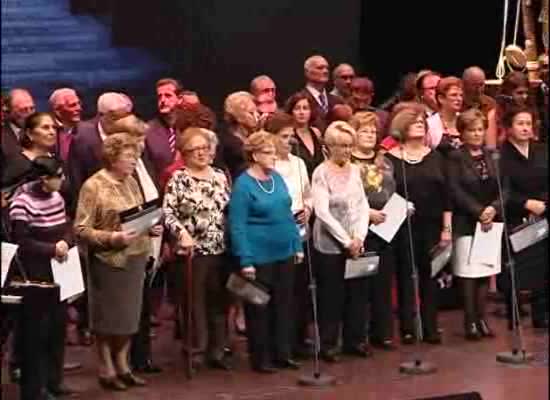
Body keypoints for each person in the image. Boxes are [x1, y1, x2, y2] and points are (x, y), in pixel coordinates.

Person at [74, 133, 152, 391]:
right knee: (108, 319)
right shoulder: (93, 185)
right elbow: (81, 229)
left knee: (130, 318)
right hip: (109, 261)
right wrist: (111, 238)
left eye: (136, 156)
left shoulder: (131, 181)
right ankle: (106, 367)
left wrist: (150, 227)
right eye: (129, 157)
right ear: (113, 157)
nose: (134, 161)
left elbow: (138, 214)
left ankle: (123, 364)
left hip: (136, 257)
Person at [228, 131, 303, 373]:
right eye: (269, 153)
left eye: (274, 152)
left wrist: (297, 245)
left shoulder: (278, 179)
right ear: (254, 155)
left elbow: (288, 215)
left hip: (284, 251)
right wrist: (246, 260)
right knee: (259, 308)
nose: (274, 157)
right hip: (258, 256)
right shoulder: (243, 185)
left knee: (284, 305)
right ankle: (261, 358)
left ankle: (283, 353)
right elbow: (237, 225)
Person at [163, 127, 232, 371]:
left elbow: (228, 208)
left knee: (219, 302)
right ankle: (196, 352)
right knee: (194, 305)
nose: (202, 153)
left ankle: (218, 351)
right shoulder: (178, 179)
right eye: (195, 150)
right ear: (184, 153)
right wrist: (182, 234)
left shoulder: (220, 176)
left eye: (205, 148)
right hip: (192, 252)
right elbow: (169, 214)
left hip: (221, 249)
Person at [9, 156, 77, 399]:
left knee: (57, 330)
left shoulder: (57, 198)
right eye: (58, 176)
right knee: (36, 336)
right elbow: (22, 242)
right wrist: (51, 249)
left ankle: (53, 381)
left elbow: (68, 226)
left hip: (61, 271)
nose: (62, 181)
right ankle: (34, 390)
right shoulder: (21, 204)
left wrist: (65, 242)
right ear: (43, 179)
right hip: (36, 277)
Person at [386, 104, 452, 345]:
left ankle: (431, 327)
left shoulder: (435, 157)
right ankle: (407, 328)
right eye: (414, 122)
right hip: (402, 226)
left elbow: (447, 195)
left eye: (422, 123)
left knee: (430, 276)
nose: (419, 125)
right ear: (401, 126)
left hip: (432, 225)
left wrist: (447, 228)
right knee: (404, 276)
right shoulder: (389, 159)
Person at [311, 121, 371, 362]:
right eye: (342, 146)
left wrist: (359, 236)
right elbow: (323, 212)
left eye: (349, 146)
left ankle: (355, 340)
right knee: (331, 296)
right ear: (330, 146)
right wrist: (346, 241)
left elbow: (361, 205)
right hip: (329, 242)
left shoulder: (355, 170)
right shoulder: (321, 172)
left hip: (354, 239)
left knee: (356, 293)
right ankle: (328, 344)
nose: (346, 151)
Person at [449, 109, 503, 340]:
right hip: (466, 221)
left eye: (480, 129)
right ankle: (470, 321)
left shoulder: (493, 155)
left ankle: (482, 319)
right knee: (469, 273)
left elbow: (505, 186)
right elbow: (454, 189)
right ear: (462, 133)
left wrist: (494, 208)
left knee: (485, 272)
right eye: (471, 130)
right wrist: (478, 211)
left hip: (490, 222)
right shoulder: (455, 157)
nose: (477, 134)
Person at [264, 112, 313, 357]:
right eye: (283, 136)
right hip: (278, 232)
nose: (289, 141)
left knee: (300, 289)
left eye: (291, 136)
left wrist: (308, 208)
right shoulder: (268, 167)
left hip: (301, 230)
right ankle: (279, 343)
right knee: (281, 290)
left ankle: (299, 339)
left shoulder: (299, 163)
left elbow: (308, 192)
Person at [350, 111, 397, 349]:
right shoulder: (348, 163)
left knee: (382, 284)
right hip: (358, 230)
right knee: (359, 286)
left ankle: (383, 332)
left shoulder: (385, 162)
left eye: (372, 131)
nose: (370, 135)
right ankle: (358, 337)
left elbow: (393, 191)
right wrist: (367, 214)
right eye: (364, 131)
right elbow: (344, 199)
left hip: (385, 229)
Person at [498, 106, 548, 330]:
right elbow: (501, 190)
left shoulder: (542, 150)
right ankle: (514, 314)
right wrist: (525, 203)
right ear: (509, 128)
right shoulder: (501, 155)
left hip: (543, 214)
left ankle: (541, 314)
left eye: (529, 123)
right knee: (515, 267)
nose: (526, 128)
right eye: (520, 124)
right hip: (515, 216)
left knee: (543, 265)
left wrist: (543, 204)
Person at [487, 71, 540, 147]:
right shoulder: (494, 115)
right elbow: (491, 148)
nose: (525, 96)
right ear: (508, 93)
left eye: (526, 93)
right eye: (519, 93)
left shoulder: (531, 113)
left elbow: (535, 142)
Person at [216, 91, 259, 180]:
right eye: (251, 113)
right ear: (238, 117)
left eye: (257, 111)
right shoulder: (229, 142)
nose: (257, 116)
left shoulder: (253, 135)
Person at [284, 92, 325, 178]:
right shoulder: (288, 136)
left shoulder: (316, 133)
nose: (301, 112)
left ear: (311, 111)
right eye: (297, 108)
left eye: (305, 108)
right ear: (291, 112)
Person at [426, 76, 464, 152]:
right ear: (441, 98)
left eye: (461, 95)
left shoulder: (466, 120)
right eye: (454, 95)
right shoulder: (430, 125)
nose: (459, 99)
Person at [49, 88, 83, 162]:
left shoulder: (88, 130)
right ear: (57, 110)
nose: (79, 108)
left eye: (79, 103)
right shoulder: (47, 131)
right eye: (72, 105)